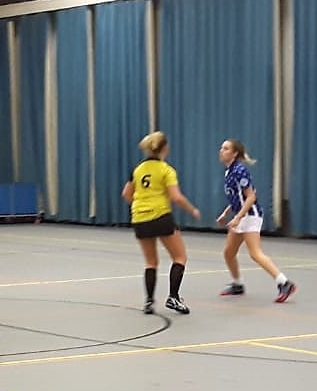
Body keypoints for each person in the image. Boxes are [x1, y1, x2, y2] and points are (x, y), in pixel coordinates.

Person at [122, 131, 200, 315]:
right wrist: (192, 210)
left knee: (151, 261)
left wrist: (140, 206)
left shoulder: (138, 169)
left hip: (140, 218)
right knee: (179, 257)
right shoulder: (166, 170)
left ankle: (149, 301)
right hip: (160, 216)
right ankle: (173, 297)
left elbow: (126, 194)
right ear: (165, 148)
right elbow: (176, 197)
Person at [214, 138, 296, 302]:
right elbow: (237, 197)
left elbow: (251, 197)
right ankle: (238, 284)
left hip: (250, 216)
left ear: (234, 153)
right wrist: (226, 213)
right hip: (240, 216)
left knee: (255, 253)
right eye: (221, 148)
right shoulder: (229, 171)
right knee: (229, 253)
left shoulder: (240, 171)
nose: (221, 151)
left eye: (226, 148)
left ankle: (284, 283)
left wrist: (238, 218)